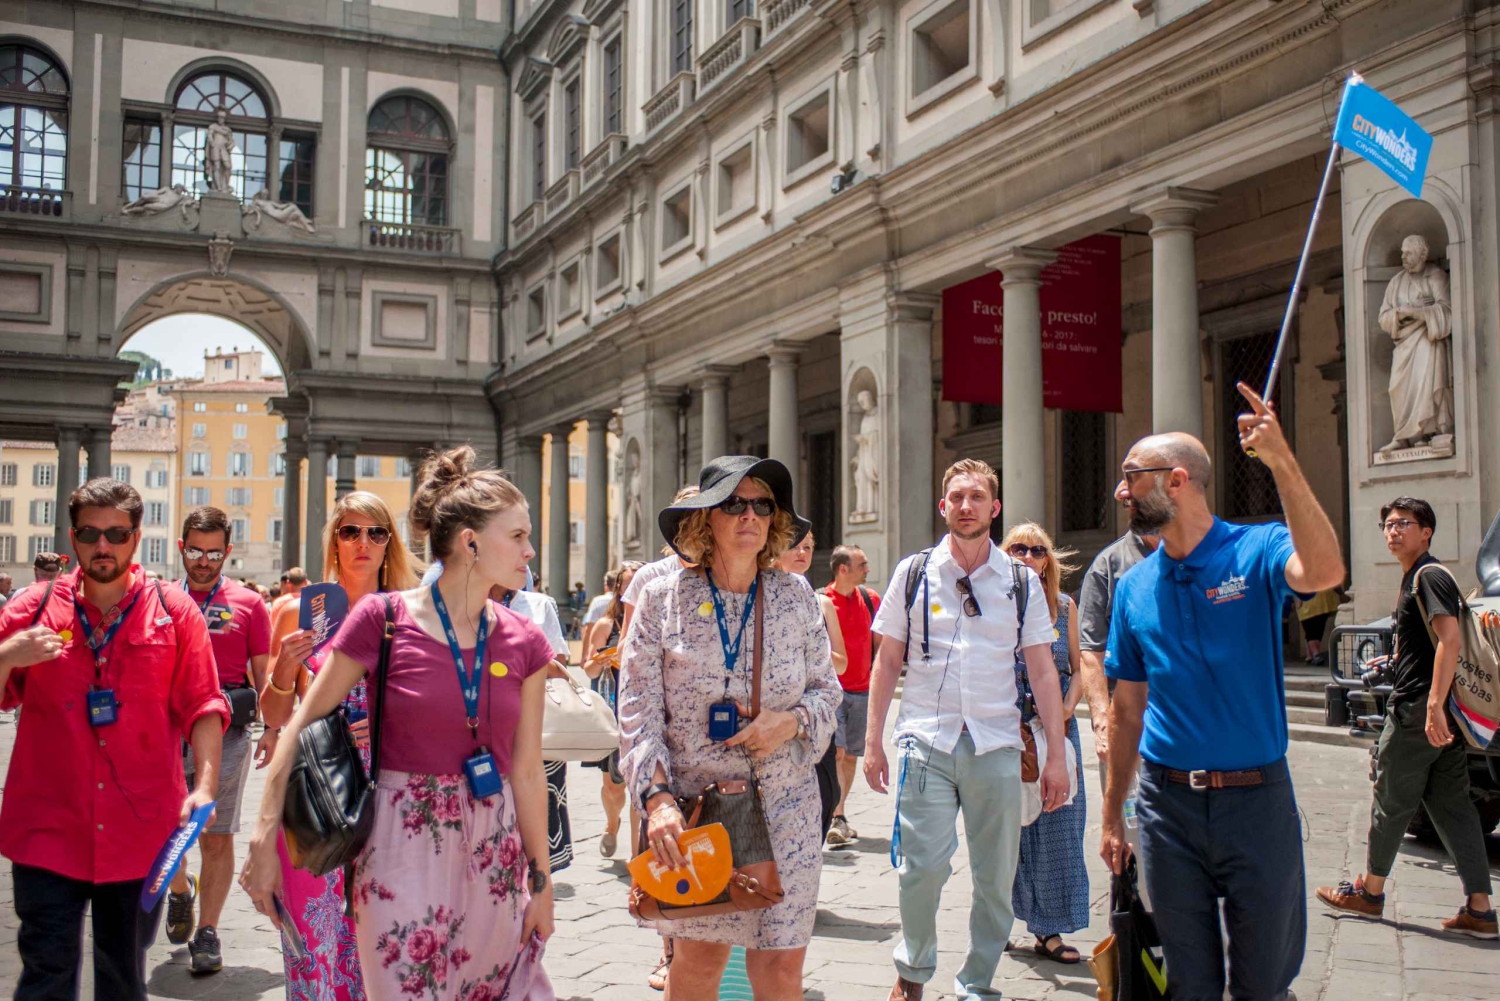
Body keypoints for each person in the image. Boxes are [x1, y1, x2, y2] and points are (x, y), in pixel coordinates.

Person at [242, 447, 556, 1000]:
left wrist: (542, 884)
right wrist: (264, 839)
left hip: (495, 855)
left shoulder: (525, 640)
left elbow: (529, 772)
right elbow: (299, 726)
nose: (530, 551)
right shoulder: (382, 619)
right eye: (518, 535)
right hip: (399, 847)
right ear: (471, 542)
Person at [1099, 384, 1346, 1001]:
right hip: (1166, 809)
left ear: (1177, 480)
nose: (1122, 491)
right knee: (1188, 985)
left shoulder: (1255, 549)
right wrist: (1112, 814)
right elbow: (1127, 710)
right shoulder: (1133, 587)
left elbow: (1324, 572)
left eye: (1132, 476)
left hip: (1257, 805)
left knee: (1263, 984)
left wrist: (1281, 461)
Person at [619, 455, 841, 1000]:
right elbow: (638, 710)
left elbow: (827, 691)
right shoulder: (662, 598)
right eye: (734, 503)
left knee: (781, 968)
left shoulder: (796, 596)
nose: (750, 515)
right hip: (700, 811)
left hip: (787, 807)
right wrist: (657, 800)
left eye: (763, 505)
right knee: (698, 964)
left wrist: (790, 723)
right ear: (705, 519)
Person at [0, 478, 228, 1000]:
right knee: (45, 975)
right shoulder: (33, 608)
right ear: (73, 538)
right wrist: (7, 655)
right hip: (47, 828)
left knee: (123, 976)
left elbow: (204, 705)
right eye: (90, 533)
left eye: (117, 534)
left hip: (140, 831)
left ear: (136, 538)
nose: (103, 546)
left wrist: (205, 786)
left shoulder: (173, 611)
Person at [864, 458, 1069, 1001]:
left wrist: (1056, 756)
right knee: (921, 869)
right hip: (925, 741)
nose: (966, 506)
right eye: (956, 497)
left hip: (996, 743)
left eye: (977, 497)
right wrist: (872, 743)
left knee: (995, 878)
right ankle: (913, 969)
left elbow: (1043, 670)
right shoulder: (913, 572)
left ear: (994, 508)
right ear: (943, 506)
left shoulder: (1019, 582)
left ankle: (977, 983)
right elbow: (887, 661)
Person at [256, 490, 422, 998]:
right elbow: (274, 715)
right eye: (351, 531)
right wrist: (285, 671)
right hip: (315, 789)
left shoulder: (408, 613)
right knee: (316, 939)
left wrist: (384, 720)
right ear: (334, 540)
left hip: (386, 787)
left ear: (390, 543)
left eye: (376, 532)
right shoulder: (297, 611)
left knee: (383, 943)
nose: (363, 542)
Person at [1316, 497, 1496, 938]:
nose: (1393, 531)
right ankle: (1480, 909)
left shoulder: (1428, 575)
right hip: (1433, 711)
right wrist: (1397, 661)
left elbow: (1449, 641)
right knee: (1453, 808)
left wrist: (1433, 706)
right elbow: (1429, 645)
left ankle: (1370, 893)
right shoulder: (1417, 576)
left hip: (1419, 710)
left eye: (1404, 524)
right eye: (1388, 524)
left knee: (1390, 797)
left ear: (1426, 532)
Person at [161, 507, 272, 972]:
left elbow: (264, 674)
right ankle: (180, 889)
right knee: (163, 829)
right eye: (194, 552)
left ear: (227, 552)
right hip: (165, 731)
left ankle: (207, 931)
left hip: (227, 732)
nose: (203, 562)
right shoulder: (160, 599)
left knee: (217, 835)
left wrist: (274, 728)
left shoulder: (250, 604)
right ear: (181, 548)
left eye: (213, 553)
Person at [1000, 523, 1088, 964]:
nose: (1029, 557)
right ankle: (996, 920)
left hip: (1055, 732)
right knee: (1001, 830)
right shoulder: (991, 604)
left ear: (1048, 560)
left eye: (1038, 551)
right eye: (1019, 549)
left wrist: (1066, 709)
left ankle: (1048, 929)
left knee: (1058, 826)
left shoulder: (1064, 607)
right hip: (1005, 731)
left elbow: (1080, 667)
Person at [492, 573, 575, 875]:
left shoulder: (539, 605)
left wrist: (518, 655)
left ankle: (537, 876)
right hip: (484, 723)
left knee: (539, 798)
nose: (525, 555)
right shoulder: (464, 601)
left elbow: (559, 665)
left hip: (536, 721)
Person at [774, 530, 846, 841]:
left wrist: (809, 650)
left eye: (808, 547)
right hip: (776, 716)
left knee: (827, 791)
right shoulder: (761, 594)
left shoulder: (822, 603)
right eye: (795, 546)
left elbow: (841, 663)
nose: (802, 553)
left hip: (814, 712)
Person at [581, 561, 645, 857]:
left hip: (643, 711)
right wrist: (603, 659)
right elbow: (588, 668)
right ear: (618, 589)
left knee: (641, 787)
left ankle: (637, 855)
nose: (633, 589)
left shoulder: (658, 617)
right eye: (627, 584)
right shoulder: (606, 625)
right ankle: (611, 824)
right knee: (613, 787)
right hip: (612, 713)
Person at [822, 545, 880, 847]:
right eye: (862, 565)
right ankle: (837, 814)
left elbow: (881, 643)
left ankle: (839, 815)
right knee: (837, 751)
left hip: (863, 689)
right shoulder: (822, 601)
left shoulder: (871, 600)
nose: (867, 570)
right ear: (843, 569)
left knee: (850, 755)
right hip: (832, 691)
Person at [1297, 586, 1341, 666]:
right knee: (1315, 631)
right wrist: (1341, 594)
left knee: (1311, 631)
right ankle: (1315, 654)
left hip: (1310, 603)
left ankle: (1313, 655)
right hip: (1321, 602)